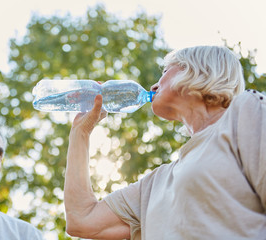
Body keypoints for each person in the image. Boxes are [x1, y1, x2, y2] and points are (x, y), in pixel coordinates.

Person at [64, 46, 266, 239]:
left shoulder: (247, 112)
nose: (153, 85)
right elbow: (82, 220)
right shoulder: (154, 184)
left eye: (166, 71)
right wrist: (80, 133)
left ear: (198, 71)